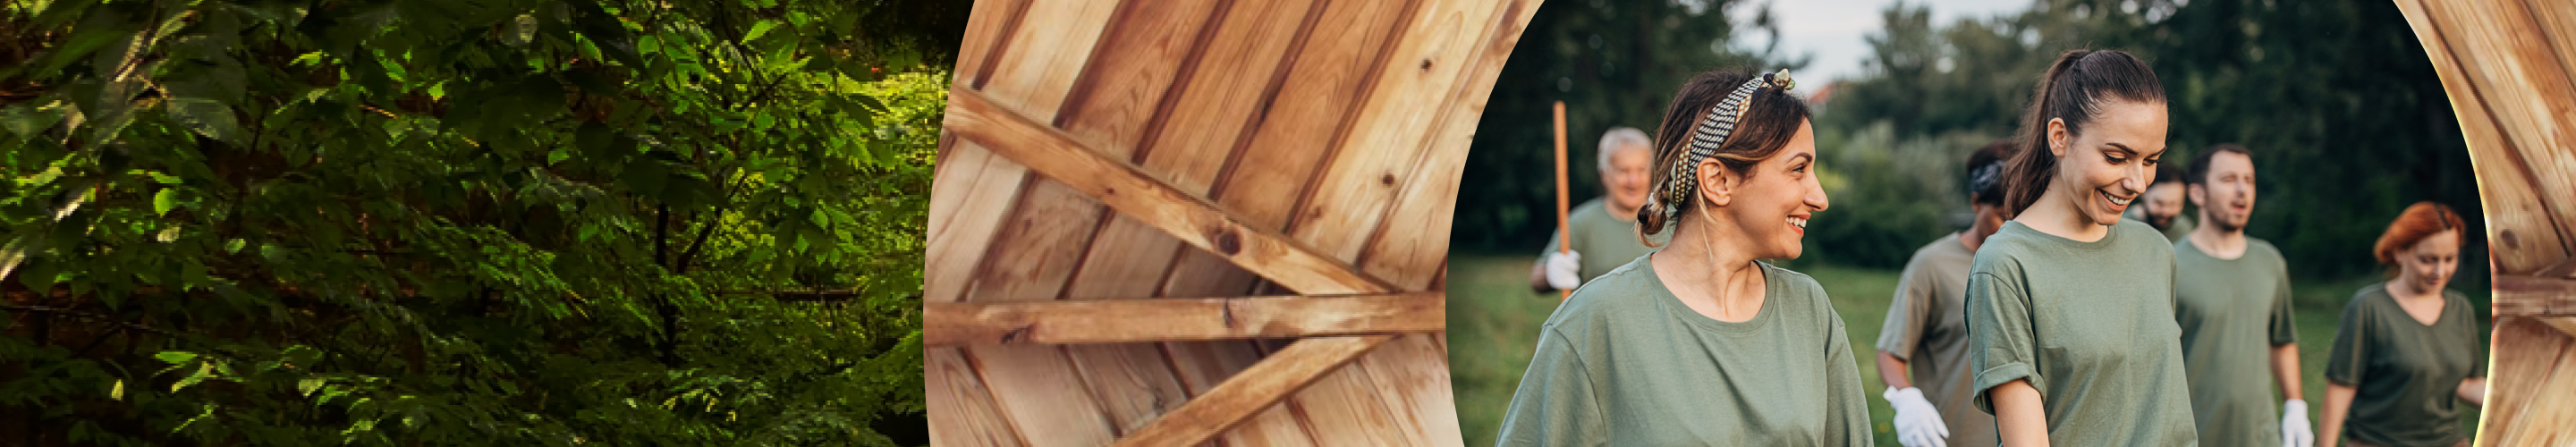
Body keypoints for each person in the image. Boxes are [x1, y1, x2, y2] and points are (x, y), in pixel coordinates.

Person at [1495, 69, 1867, 445]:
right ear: (1718, 181)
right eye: (1798, 169)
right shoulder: (1590, 324)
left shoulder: (1810, 310)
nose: (1820, 198)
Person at [1963, 49, 2199, 445]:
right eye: (2116, 157)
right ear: (2060, 137)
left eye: (2151, 159)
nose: (2138, 183)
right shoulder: (2005, 265)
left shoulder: (2155, 250)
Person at [1874, 139, 2016, 447]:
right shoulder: (1932, 265)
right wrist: (1907, 399)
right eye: (2004, 217)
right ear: (1976, 203)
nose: (2014, 228)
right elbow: (1891, 352)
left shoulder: (2033, 264)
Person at [2170, 143, 2311, 447]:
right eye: (2228, 179)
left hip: (2261, 436)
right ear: (2197, 194)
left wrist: (2295, 406)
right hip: (2193, 438)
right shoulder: (2170, 264)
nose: (2242, 191)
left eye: (2249, 180)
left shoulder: (2270, 261)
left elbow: (2282, 339)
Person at [2318, 202, 2487, 447]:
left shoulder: (2460, 309)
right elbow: (2341, 388)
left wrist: (2508, 401)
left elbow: (2465, 381)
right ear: (2399, 252)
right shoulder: (2368, 308)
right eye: (2428, 260)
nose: (2440, 271)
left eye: (2450, 259)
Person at [1532, 127, 1671, 292]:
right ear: (1605, 174)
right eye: (1623, 170)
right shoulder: (1581, 222)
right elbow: (1535, 280)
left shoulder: (1671, 220)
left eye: (1641, 170)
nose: (1633, 181)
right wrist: (1550, 274)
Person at [2128, 163, 2195, 241]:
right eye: (2159, 203)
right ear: (2143, 193)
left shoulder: (2184, 229)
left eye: (2174, 204)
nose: (2166, 211)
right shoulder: (2121, 225)